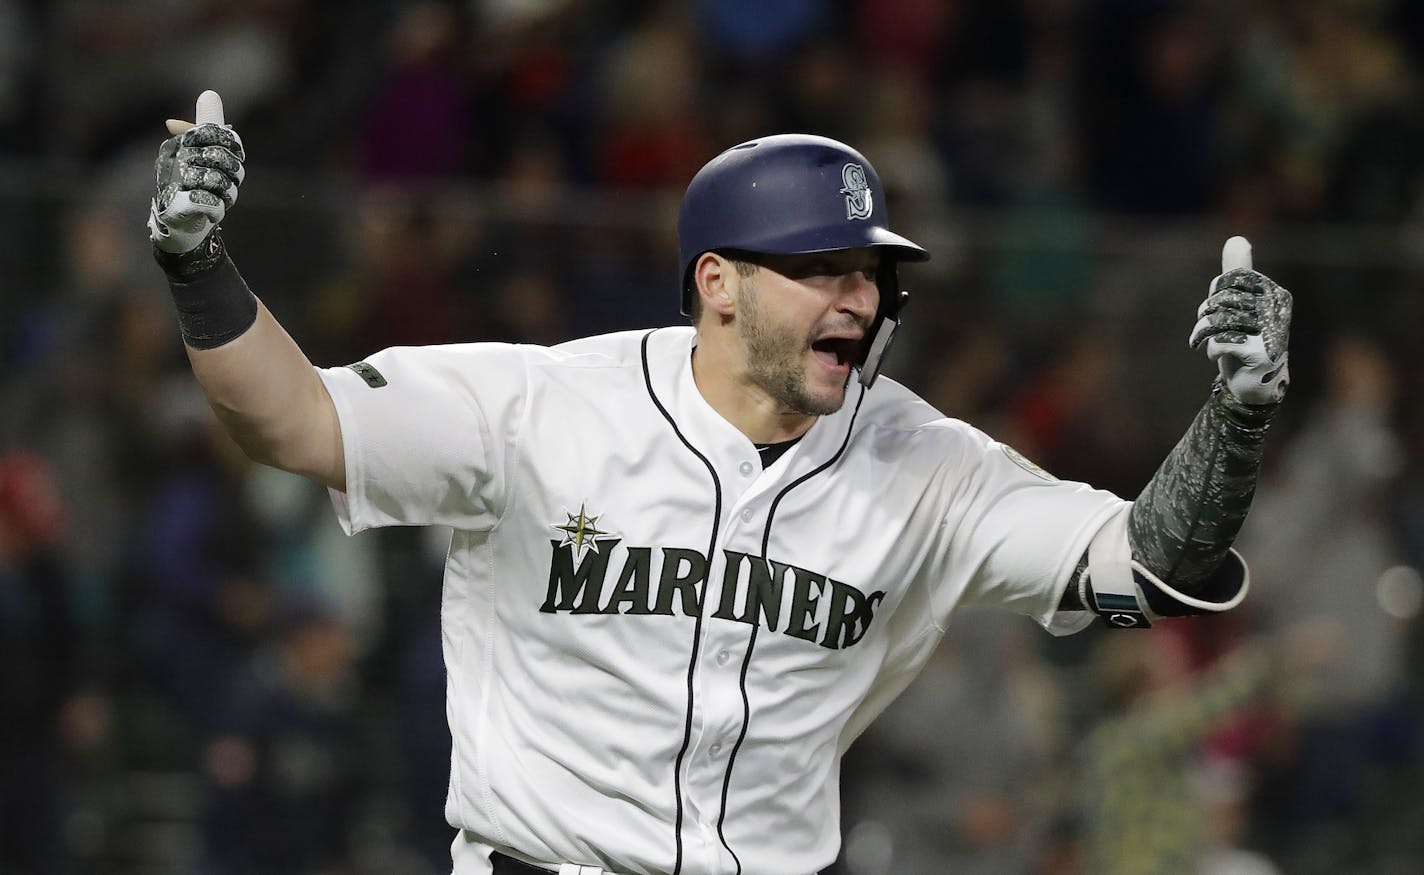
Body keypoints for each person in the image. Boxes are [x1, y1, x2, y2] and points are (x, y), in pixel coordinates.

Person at [146, 90, 1292, 875]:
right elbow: (290, 420)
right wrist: (197, 264)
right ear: (717, 284)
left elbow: (1148, 562)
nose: (857, 296)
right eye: (819, 268)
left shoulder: (925, 463)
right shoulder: (540, 407)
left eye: (869, 273)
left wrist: (1235, 417)